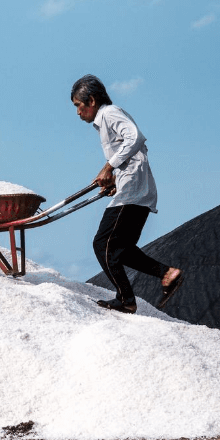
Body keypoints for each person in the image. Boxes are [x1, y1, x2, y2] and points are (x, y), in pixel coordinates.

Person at [71, 74, 183, 314]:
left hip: (134, 188)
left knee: (103, 244)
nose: (78, 113)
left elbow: (135, 137)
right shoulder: (104, 121)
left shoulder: (109, 113)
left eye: (78, 106)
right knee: (122, 248)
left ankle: (125, 299)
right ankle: (167, 274)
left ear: (91, 100)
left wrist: (108, 167)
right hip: (134, 187)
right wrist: (114, 180)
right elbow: (130, 149)